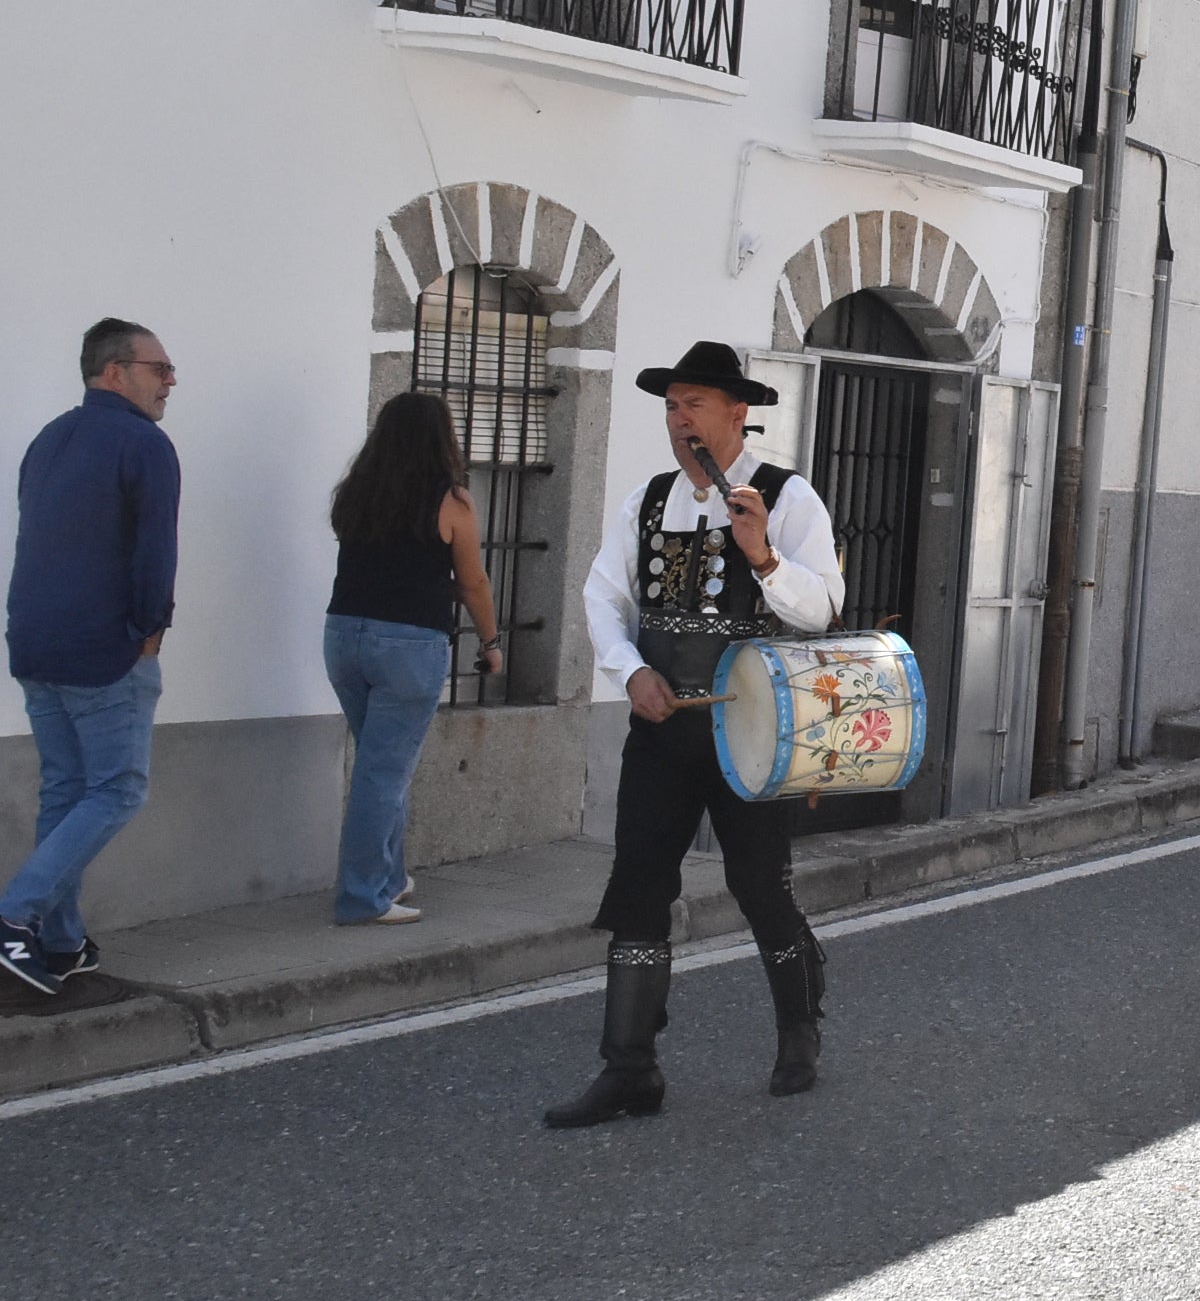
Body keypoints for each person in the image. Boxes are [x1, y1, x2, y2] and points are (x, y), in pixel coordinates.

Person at [545, 341, 846, 1128]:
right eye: (673, 407)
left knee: (757, 885)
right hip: (663, 730)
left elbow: (822, 611)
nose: (680, 421)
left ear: (736, 414)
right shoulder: (647, 502)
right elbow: (604, 597)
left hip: (752, 735)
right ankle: (630, 1069)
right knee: (639, 885)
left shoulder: (787, 496)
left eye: (696, 406)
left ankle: (799, 1028)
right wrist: (627, 671)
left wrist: (764, 555)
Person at [0, 321, 181, 998]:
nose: (170, 381)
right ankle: (14, 916)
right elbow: (154, 551)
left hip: (35, 640)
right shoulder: (145, 444)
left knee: (67, 790)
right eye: (158, 368)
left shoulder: (48, 439)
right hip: (105, 648)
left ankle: (60, 940)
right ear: (114, 372)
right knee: (118, 788)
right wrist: (149, 628)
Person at [322, 392, 505, 927]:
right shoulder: (452, 501)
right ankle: (362, 898)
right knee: (383, 773)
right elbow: (472, 581)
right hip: (408, 645)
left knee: (383, 767)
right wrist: (490, 644)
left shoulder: (356, 493)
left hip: (342, 636)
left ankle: (389, 879)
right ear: (441, 439)